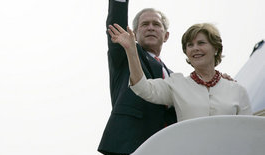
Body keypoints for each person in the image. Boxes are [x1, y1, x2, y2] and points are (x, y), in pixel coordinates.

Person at [97, 0, 177, 155]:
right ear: (134, 32)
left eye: (156, 24)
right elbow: (115, 24)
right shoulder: (126, 53)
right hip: (128, 147)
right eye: (144, 24)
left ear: (166, 35)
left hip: (165, 149)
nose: (150, 27)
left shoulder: (173, 76)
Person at [108, 22, 252, 121]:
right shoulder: (177, 85)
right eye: (190, 45)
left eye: (201, 43)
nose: (195, 48)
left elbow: (247, 132)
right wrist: (131, 50)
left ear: (215, 48)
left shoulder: (237, 90)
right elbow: (142, 87)